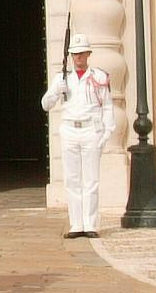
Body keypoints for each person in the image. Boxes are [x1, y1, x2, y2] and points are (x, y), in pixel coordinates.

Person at [45, 38, 121, 239]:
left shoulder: (98, 77)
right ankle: (76, 224)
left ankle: (90, 224)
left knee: (91, 180)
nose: (78, 57)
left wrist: (106, 132)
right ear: (70, 56)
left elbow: (106, 106)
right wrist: (56, 91)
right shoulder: (62, 78)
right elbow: (45, 104)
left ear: (88, 54)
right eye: (75, 54)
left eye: (81, 53)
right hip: (70, 129)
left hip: (90, 130)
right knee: (72, 179)